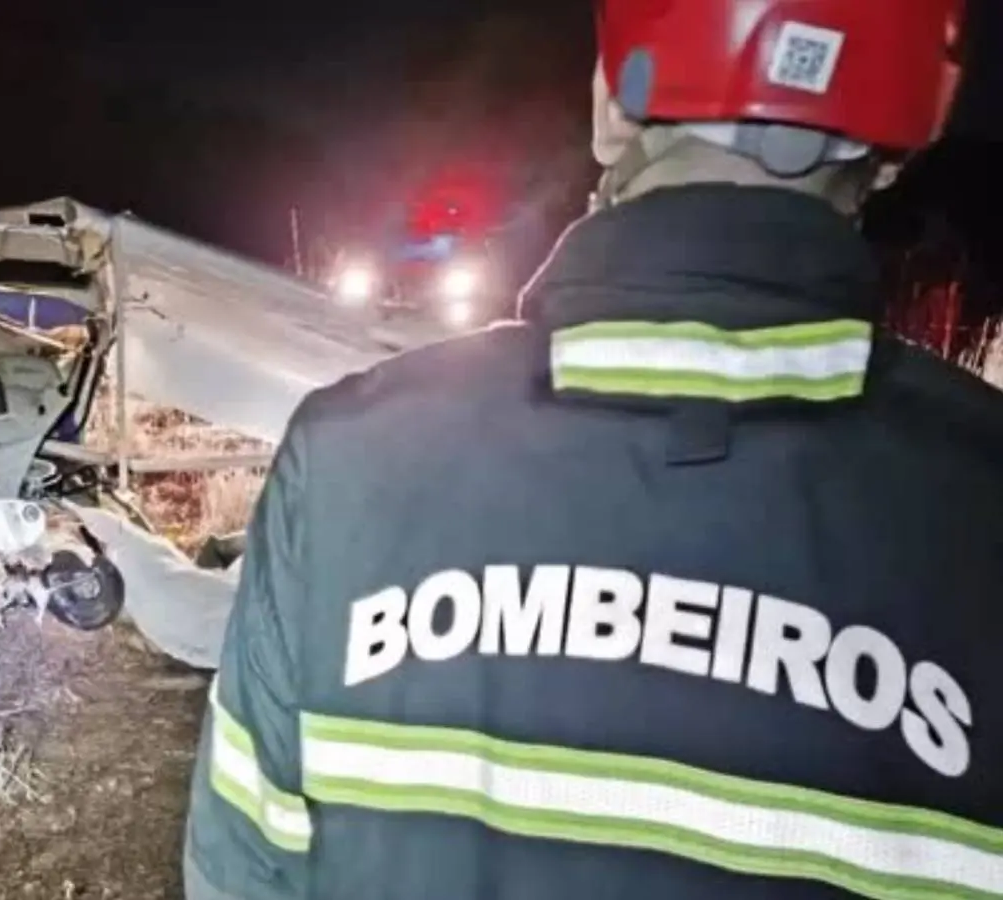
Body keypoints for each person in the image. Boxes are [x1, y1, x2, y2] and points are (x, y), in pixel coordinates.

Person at [181, 1, 1003, 898]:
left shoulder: (345, 462)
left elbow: (239, 875)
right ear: (897, 148)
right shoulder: (973, 513)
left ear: (612, 106)